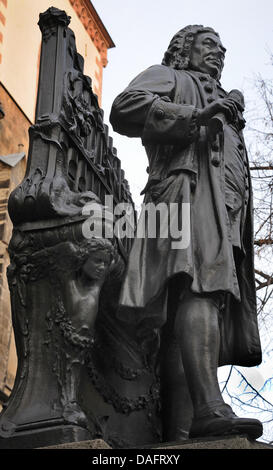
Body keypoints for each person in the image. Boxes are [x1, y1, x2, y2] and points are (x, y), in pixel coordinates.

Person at [110, 25, 263, 439]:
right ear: (184, 49)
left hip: (223, 211)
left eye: (222, 47)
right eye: (209, 44)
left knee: (198, 303)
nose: (219, 51)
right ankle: (209, 409)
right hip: (186, 196)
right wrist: (195, 116)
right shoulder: (171, 76)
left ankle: (181, 428)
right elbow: (125, 107)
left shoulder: (225, 100)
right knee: (201, 289)